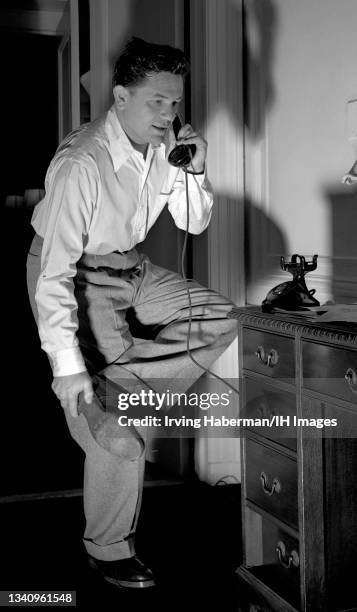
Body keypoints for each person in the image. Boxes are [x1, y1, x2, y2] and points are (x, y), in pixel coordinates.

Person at [26, 37, 237, 589]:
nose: (168, 116)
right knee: (121, 438)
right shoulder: (81, 164)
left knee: (219, 314)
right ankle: (108, 546)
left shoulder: (164, 145)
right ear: (120, 97)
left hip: (133, 268)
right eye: (156, 102)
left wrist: (196, 169)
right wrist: (68, 367)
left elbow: (193, 223)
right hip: (77, 273)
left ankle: (117, 392)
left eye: (175, 103)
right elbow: (52, 274)